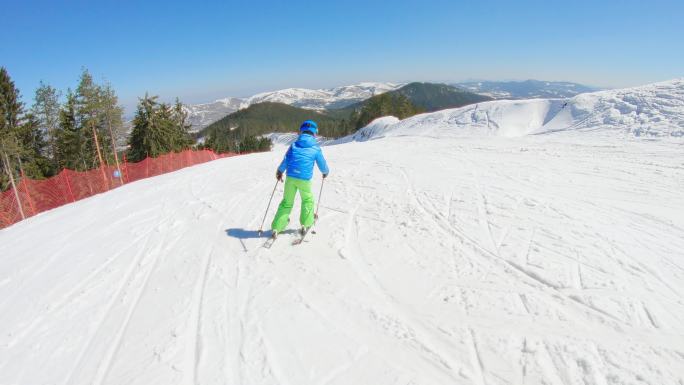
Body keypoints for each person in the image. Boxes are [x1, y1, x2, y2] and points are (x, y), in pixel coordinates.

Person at [270, 120, 329, 238]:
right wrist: (325, 172)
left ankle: (277, 227)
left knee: (287, 202)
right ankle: (306, 223)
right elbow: (322, 164)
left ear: (301, 131)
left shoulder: (294, 145)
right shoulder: (315, 148)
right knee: (307, 200)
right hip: (304, 180)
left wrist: (280, 171)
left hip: (290, 178)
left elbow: (286, 159)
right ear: (315, 133)